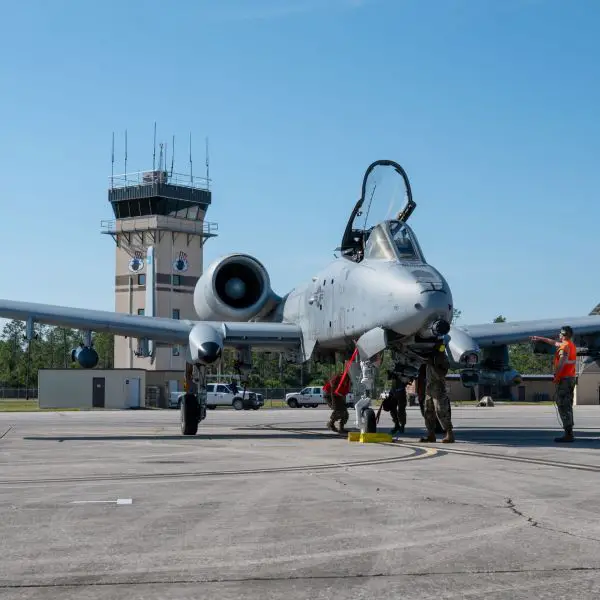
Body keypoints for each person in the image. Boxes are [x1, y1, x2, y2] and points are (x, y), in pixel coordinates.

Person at [531, 326, 577, 442]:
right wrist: (540, 338)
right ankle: (569, 432)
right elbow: (554, 343)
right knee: (567, 405)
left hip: (564, 380)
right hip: (570, 378)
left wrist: (557, 375)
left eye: (560, 334)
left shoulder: (564, 346)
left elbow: (562, 361)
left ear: (564, 335)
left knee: (563, 405)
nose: (559, 335)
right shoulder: (570, 345)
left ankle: (568, 434)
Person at [419, 339, 455, 443]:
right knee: (428, 412)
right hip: (429, 388)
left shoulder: (441, 358)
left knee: (441, 411)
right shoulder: (430, 357)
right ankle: (431, 435)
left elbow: (442, 373)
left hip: (438, 388)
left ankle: (450, 434)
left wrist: (433, 364)